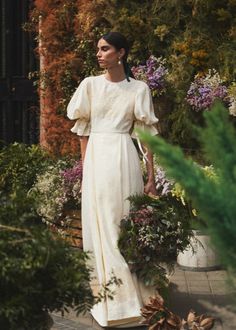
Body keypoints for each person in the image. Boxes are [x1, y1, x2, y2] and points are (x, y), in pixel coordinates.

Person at [67, 31, 159, 328]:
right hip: (98, 160)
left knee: (122, 225)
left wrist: (152, 177)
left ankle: (130, 299)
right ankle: (113, 303)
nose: (99, 54)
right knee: (102, 226)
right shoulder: (89, 86)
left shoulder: (139, 89)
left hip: (124, 157)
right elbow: (83, 132)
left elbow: (146, 137)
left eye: (105, 49)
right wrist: (85, 170)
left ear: (121, 53)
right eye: (98, 49)